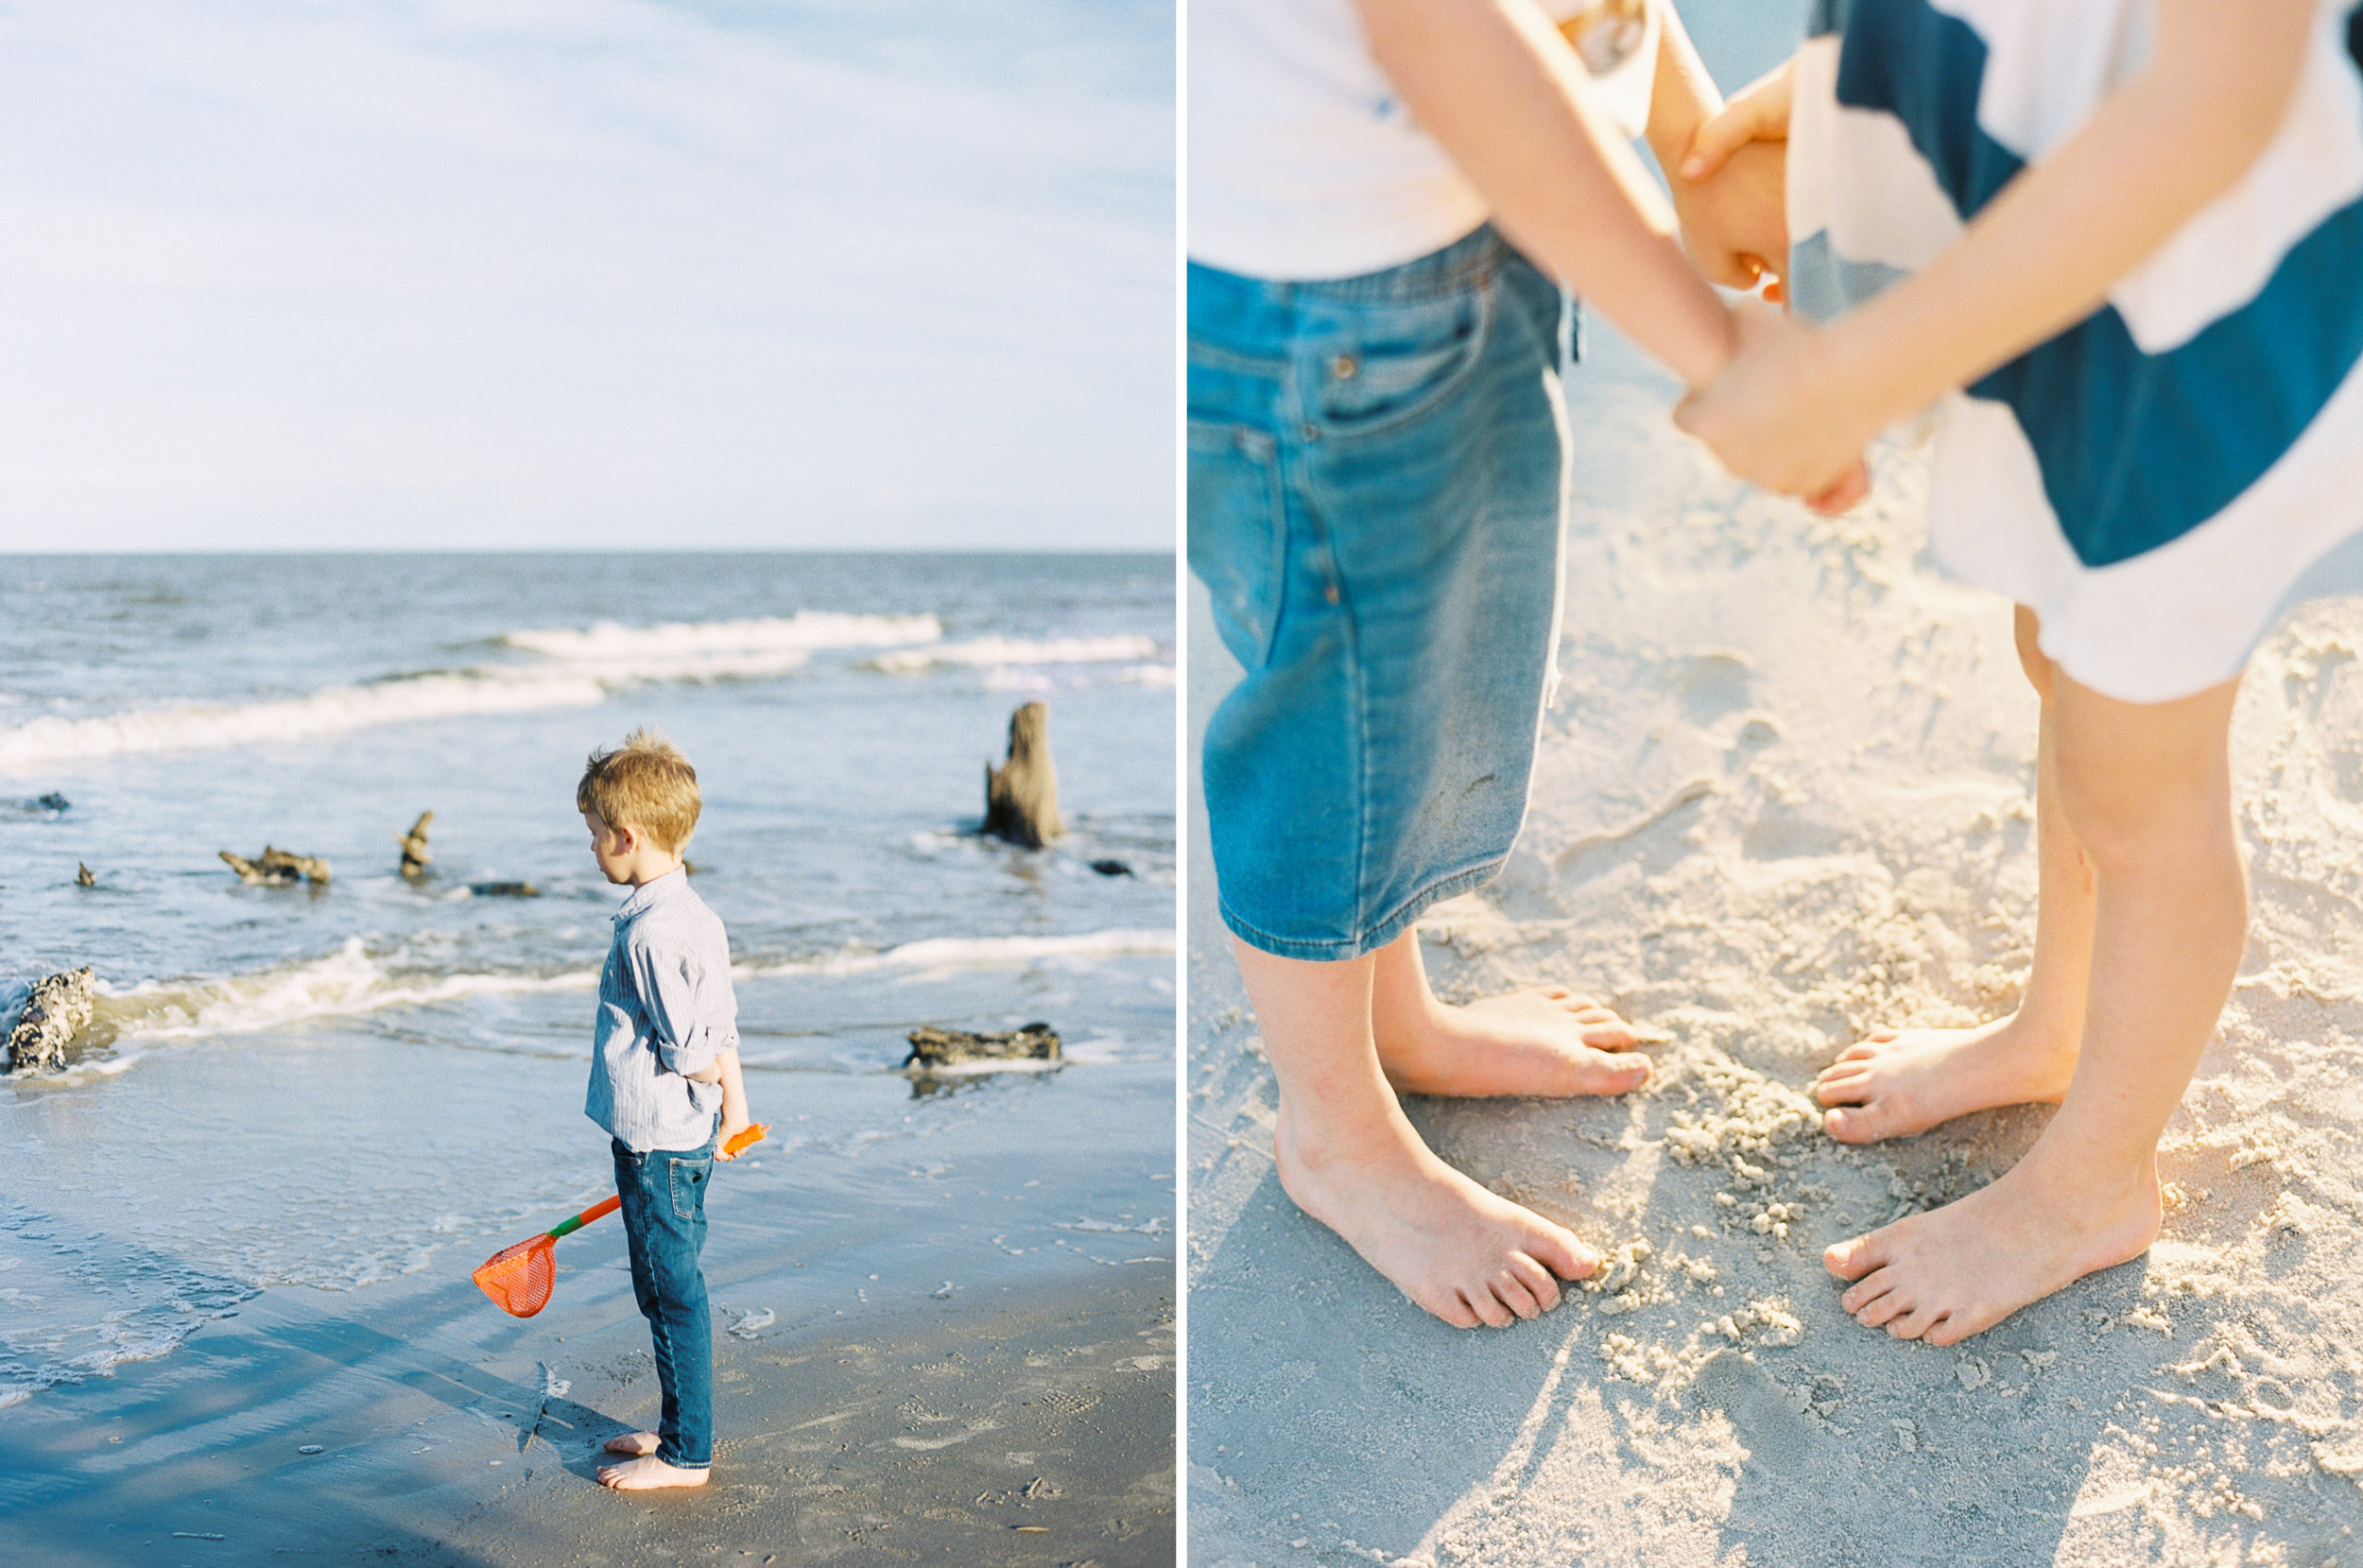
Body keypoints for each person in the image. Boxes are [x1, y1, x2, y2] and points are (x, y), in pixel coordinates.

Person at [1676, 0, 2362, 1343]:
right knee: (2055, 642)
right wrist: (1844, 78)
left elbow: (2219, 96)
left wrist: (1847, 377)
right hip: (2066, 198)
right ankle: (2057, 1022)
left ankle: (2098, 1180)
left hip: (2192, 281)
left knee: (2138, 771)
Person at [1189, 0, 1795, 1328]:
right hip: (1311, 289)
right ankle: (1334, 1132)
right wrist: (1718, 346)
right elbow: (1443, 29)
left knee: (1418, 675)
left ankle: (1393, 1021)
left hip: (1472, 214)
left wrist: (1682, 125)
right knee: (1334, 717)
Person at [576, 729, 754, 1488]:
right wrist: (736, 1104)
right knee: (665, 1285)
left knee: (670, 1290)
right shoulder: (695, 912)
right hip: (686, 1134)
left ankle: (689, 1455)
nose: (591, 850)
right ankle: (681, 1428)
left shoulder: (650, 934)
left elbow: (688, 1044)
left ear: (628, 835)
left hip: (657, 1139)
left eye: (594, 837)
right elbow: (724, 1019)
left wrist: (710, 1077)